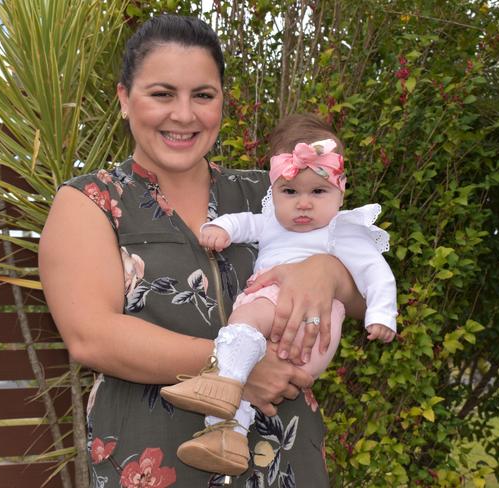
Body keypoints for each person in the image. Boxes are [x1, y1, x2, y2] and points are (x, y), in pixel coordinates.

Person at [39, 14, 368, 487]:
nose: (184, 115)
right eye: (162, 94)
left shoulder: (270, 193)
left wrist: (329, 273)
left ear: (221, 104)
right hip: (154, 461)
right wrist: (236, 368)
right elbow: (92, 335)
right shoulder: (92, 202)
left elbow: (363, 291)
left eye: (203, 95)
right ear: (124, 100)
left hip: (285, 457)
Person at [160, 114, 397, 476]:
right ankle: (227, 437)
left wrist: (381, 315)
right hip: (277, 334)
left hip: (309, 329)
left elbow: (377, 274)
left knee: (245, 321)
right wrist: (220, 228)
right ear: (274, 191)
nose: (303, 204)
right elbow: (244, 222)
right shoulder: (272, 221)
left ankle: (224, 379)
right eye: (290, 192)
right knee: (248, 361)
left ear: (341, 188)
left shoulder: (343, 230)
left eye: (318, 192)